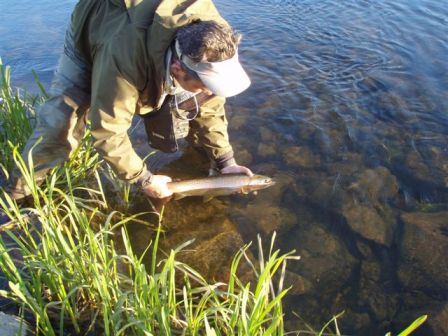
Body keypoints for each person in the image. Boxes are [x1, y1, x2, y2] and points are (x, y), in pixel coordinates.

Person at [8, 0, 253, 200]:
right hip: (98, 32)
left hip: (153, 49)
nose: (208, 91)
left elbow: (209, 105)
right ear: (178, 69)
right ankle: (14, 196)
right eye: (203, 84)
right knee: (61, 123)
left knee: (193, 102)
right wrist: (142, 178)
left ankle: (204, 158)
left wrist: (224, 160)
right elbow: (108, 131)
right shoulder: (123, 58)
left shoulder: (218, 40)